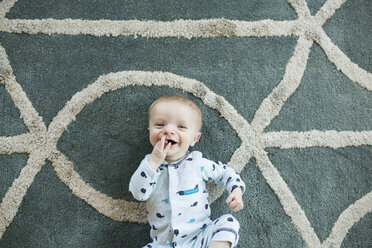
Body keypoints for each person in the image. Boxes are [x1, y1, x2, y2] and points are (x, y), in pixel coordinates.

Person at [129, 95, 245, 248]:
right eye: (159, 124)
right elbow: (138, 193)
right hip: (162, 244)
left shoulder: (197, 163)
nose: (168, 130)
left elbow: (225, 173)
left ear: (194, 139)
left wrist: (236, 191)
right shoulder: (148, 166)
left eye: (181, 127)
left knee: (229, 223)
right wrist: (154, 161)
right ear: (149, 130)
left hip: (199, 238)